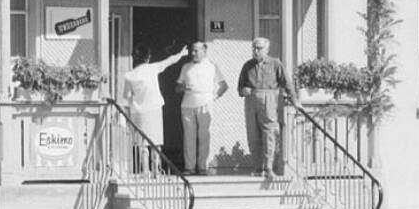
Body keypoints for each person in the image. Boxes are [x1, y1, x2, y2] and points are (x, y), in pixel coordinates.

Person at [120, 42, 187, 175]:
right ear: (148, 57)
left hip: (138, 112)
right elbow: (169, 61)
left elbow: (127, 96)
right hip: (154, 109)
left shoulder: (129, 75)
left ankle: (145, 170)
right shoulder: (152, 68)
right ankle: (156, 169)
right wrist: (181, 54)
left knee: (142, 142)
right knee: (156, 141)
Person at [239, 36, 293, 179]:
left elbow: (287, 83)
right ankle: (258, 168)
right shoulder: (247, 66)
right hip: (251, 99)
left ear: (267, 49)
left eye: (259, 48)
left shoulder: (275, 64)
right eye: (254, 48)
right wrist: (243, 90)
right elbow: (240, 86)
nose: (255, 51)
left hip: (268, 98)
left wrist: (294, 100)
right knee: (253, 134)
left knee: (269, 133)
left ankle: (269, 167)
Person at [176, 40, 227, 175]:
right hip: (187, 105)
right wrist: (183, 87)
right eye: (192, 50)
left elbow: (224, 86)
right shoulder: (186, 67)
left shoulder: (212, 66)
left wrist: (213, 98)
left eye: (196, 51)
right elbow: (177, 87)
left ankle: (203, 167)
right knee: (189, 137)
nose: (193, 53)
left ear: (204, 51)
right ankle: (189, 167)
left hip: (205, 104)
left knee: (204, 136)